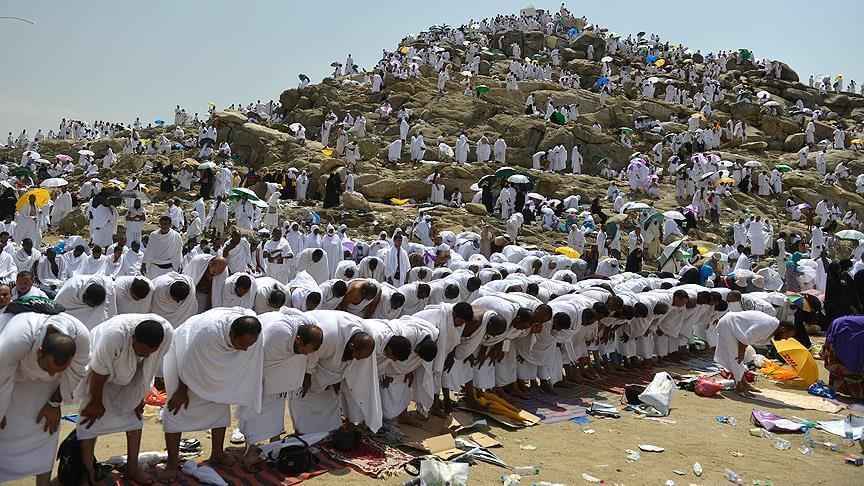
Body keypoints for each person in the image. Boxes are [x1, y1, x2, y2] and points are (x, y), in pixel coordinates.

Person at [160, 308, 263, 481]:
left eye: (248, 346)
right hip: (183, 356)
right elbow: (187, 360)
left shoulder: (252, 334)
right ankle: (171, 462)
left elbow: (248, 357)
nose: (245, 350)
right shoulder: (206, 335)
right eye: (241, 345)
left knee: (219, 404)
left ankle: (217, 453)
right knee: (176, 412)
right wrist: (181, 390)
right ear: (231, 334)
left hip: (218, 367)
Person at [76, 315, 173, 485]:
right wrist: (95, 402)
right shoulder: (114, 335)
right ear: (133, 338)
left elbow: (149, 368)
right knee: (90, 420)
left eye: (147, 352)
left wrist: (141, 396)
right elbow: (98, 372)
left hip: (136, 373)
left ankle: (133, 468)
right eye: (139, 350)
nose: (142, 354)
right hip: (102, 370)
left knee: (134, 418)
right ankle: (87, 472)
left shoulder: (167, 334)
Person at [0, 312, 90, 486]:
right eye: (48, 368)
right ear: (40, 352)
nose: (50, 373)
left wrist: (54, 403)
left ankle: (43, 483)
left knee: (46, 429)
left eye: (58, 370)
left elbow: (76, 374)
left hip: (50, 388)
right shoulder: (13, 341)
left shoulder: (81, 338)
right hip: (11, 379)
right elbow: (1, 377)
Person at [237, 310, 323, 460]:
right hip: (259, 369)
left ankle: (274, 445)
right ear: (298, 340)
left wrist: (306, 374)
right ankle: (250, 446)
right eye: (305, 350)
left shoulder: (309, 332)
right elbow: (258, 362)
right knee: (255, 407)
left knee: (276, 406)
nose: (306, 354)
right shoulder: (276, 335)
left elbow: (305, 355)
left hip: (283, 375)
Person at [290, 310, 379, 434]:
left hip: (328, 362)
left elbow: (348, 363)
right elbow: (311, 354)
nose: (357, 359)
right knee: (303, 396)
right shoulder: (328, 336)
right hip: (308, 352)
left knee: (329, 400)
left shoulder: (365, 335)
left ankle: (325, 431)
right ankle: (303, 432)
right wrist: (307, 375)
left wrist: (338, 378)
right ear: (352, 346)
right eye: (357, 355)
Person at [713, 311, 791, 393]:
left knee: (741, 357)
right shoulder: (768, 326)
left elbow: (749, 338)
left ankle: (743, 383)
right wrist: (741, 353)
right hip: (728, 325)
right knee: (735, 357)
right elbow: (745, 339)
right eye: (787, 335)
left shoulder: (772, 326)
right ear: (783, 329)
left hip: (734, 328)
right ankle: (739, 385)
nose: (785, 339)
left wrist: (742, 353)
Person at [822, 315, 864, 400]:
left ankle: (837, 388)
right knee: (850, 366)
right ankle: (854, 391)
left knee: (837, 361)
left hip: (838, 326)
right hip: (843, 331)